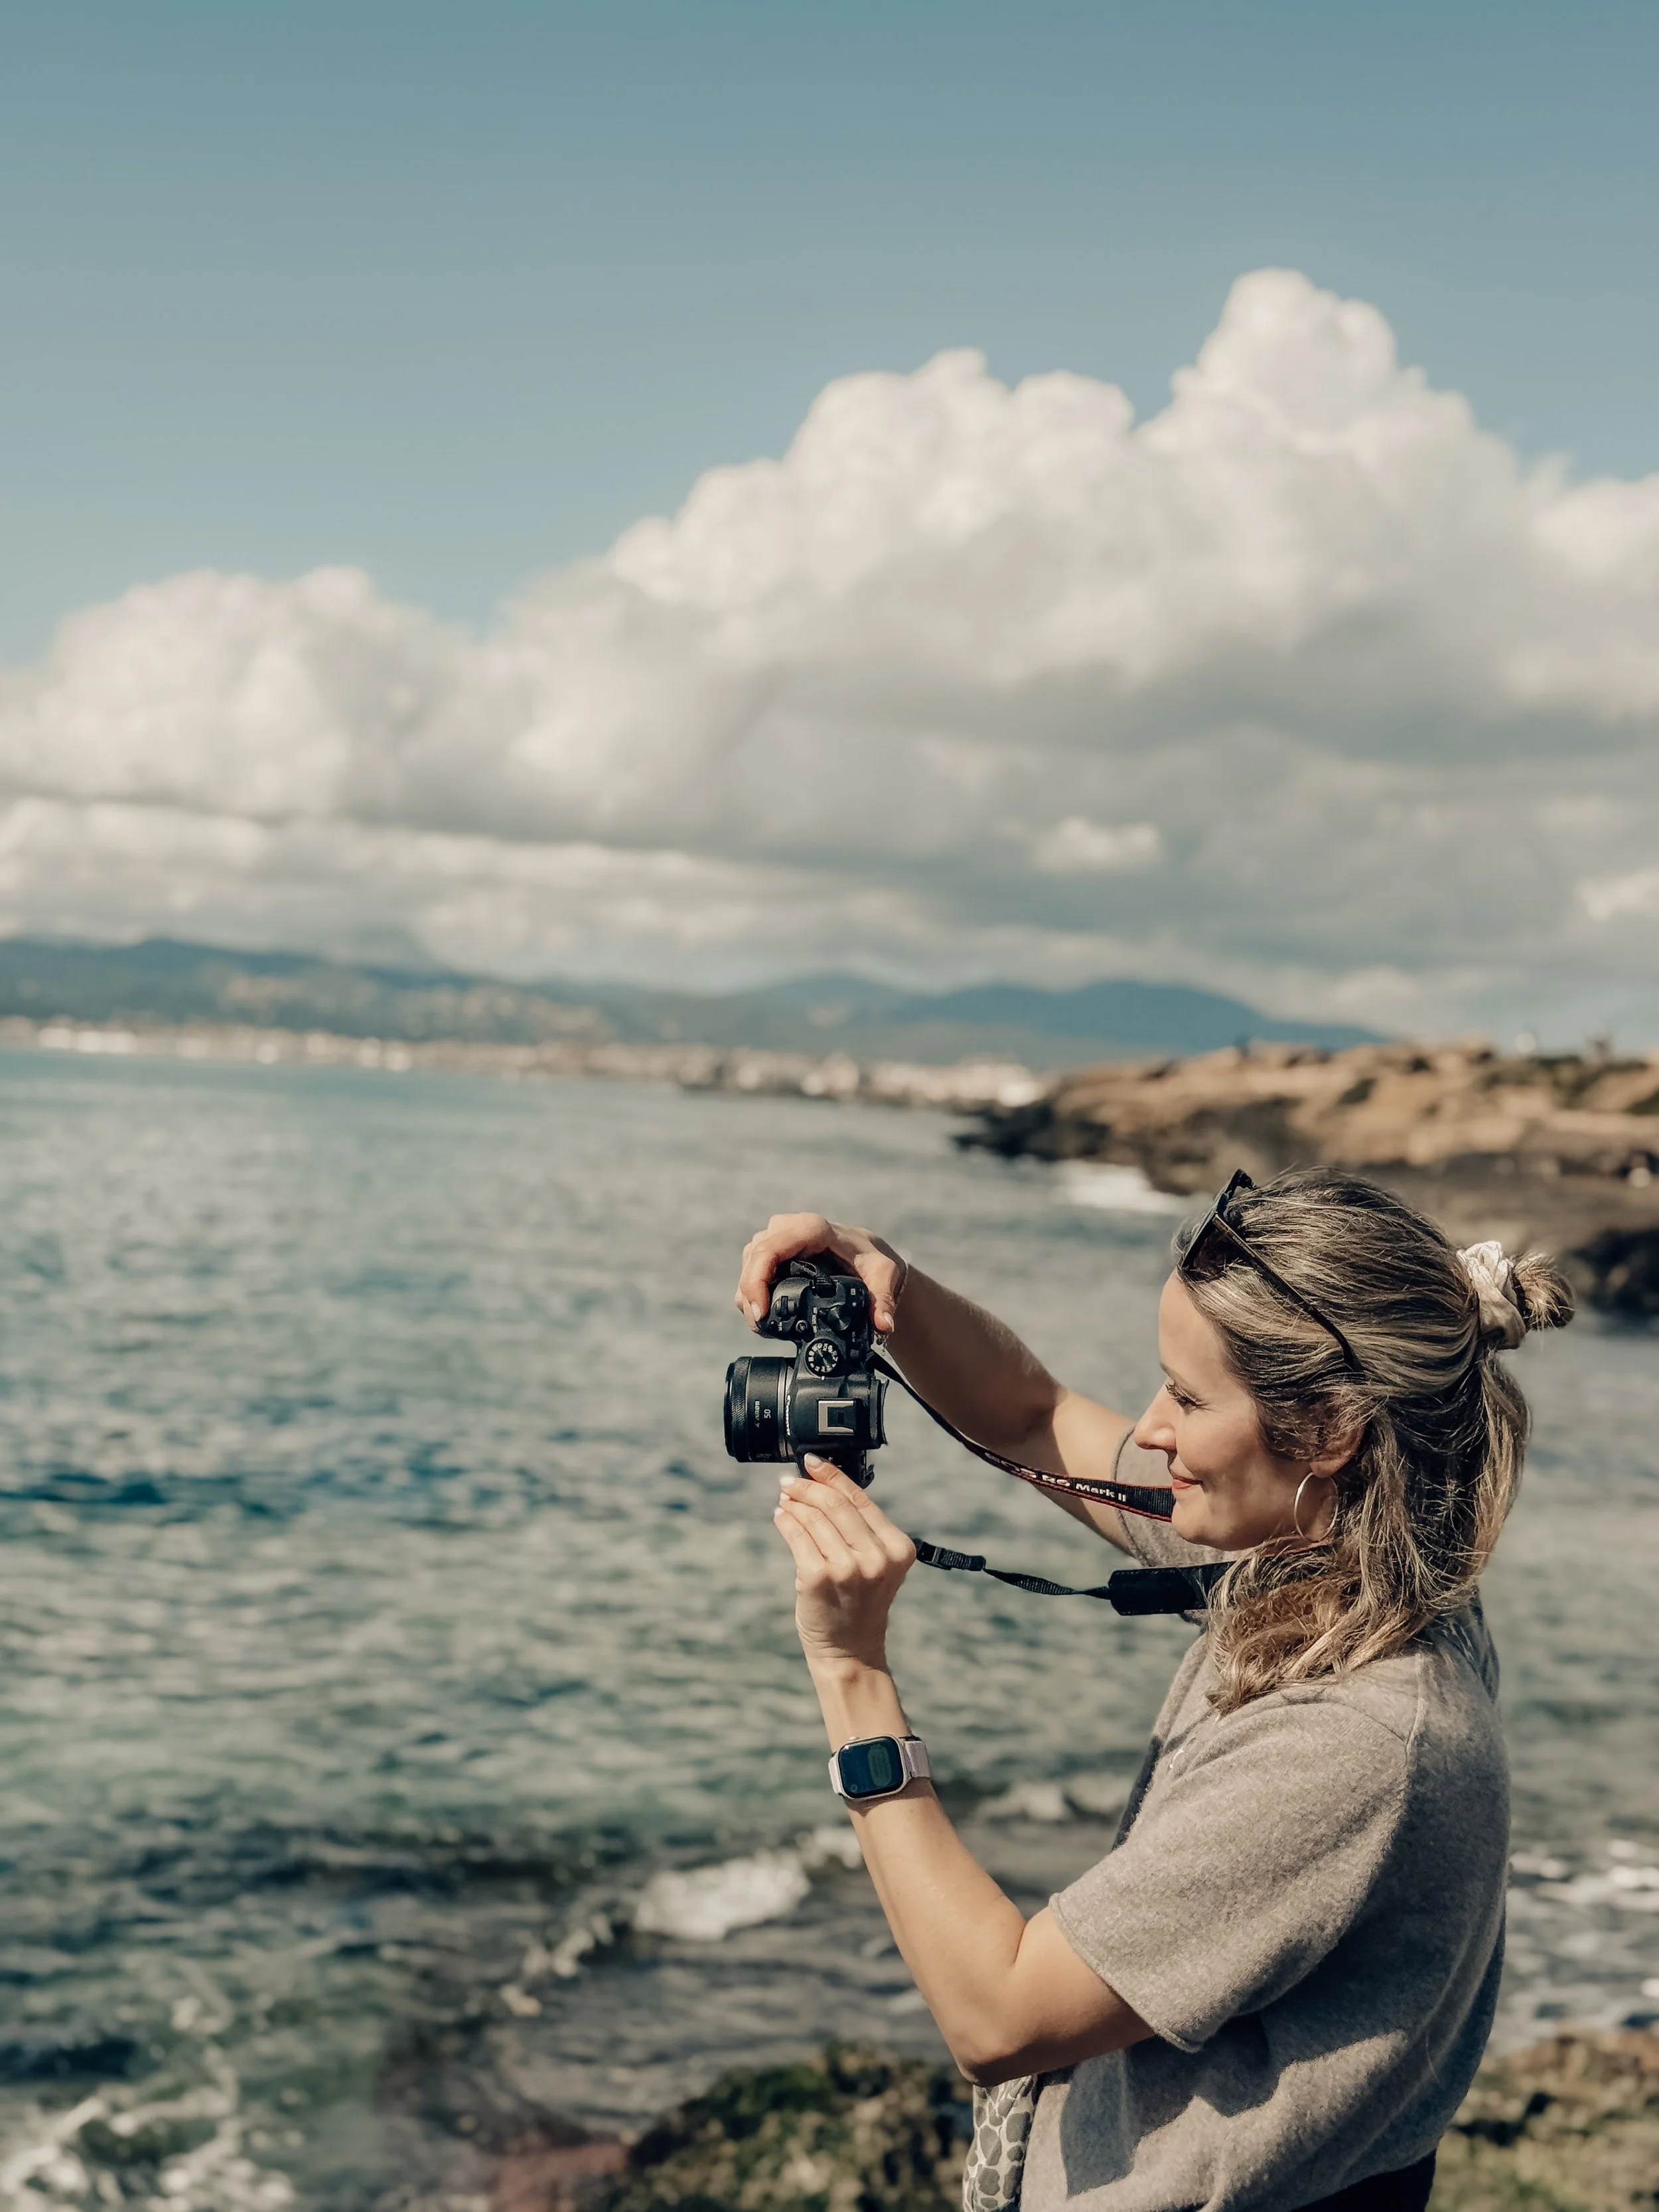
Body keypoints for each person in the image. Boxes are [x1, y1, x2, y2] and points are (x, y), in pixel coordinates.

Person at [735, 1166, 1574, 2212]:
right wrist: (888, 1286)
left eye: (1186, 1395)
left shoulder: (1362, 1739)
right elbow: (1033, 1414)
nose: (1152, 1428)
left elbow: (996, 2018)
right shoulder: (1345, 1556)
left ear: (1332, 1431)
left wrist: (851, 1672)